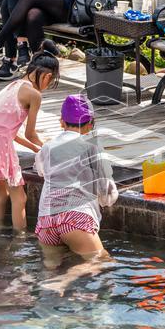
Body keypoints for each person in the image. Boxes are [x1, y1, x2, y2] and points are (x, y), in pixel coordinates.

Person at [0, 40, 61, 232]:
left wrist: (34, 148)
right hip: (0, 144)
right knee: (19, 197)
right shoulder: (34, 94)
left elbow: (6, 130)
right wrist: (49, 148)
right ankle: (19, 241)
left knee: (1, 194)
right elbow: (30, 133)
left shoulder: (13, 85)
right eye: (51, 82)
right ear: (46, 77)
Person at [34, 94, 118, 271]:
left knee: (50, 270)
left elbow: (41, 171)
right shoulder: (92, 145)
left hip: (46, 220)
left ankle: (51, 285)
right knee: (102, 263)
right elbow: (107, 190)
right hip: (75, 218)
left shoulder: (47, 147)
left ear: (61, 122)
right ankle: (65, 281)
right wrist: (104, 200)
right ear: (90, 124)